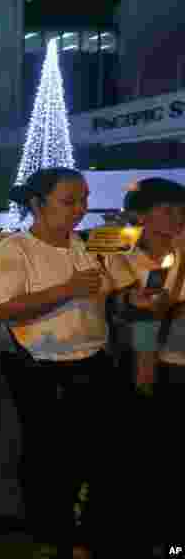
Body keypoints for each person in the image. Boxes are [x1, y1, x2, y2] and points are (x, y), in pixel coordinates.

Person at [0, 167, 134, 559]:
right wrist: (65, 289)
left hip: (96, 361)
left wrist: (126, 247)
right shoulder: (14, 250)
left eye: (84, 200)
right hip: (40, 367)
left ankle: (89, 536)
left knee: (103, 456)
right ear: (37, 204)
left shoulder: (88, 244)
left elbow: (123, 287)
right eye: (70, 201)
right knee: (50, 457)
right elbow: (3, 308)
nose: (80, 209)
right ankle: (52, 538)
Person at [109, 178, 185, 548]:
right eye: (167, 210)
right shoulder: (124, 257)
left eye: (181, 210)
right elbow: (132, 311)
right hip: (149, 365)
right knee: (147, 458)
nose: (177, 218)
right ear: (141, 215)